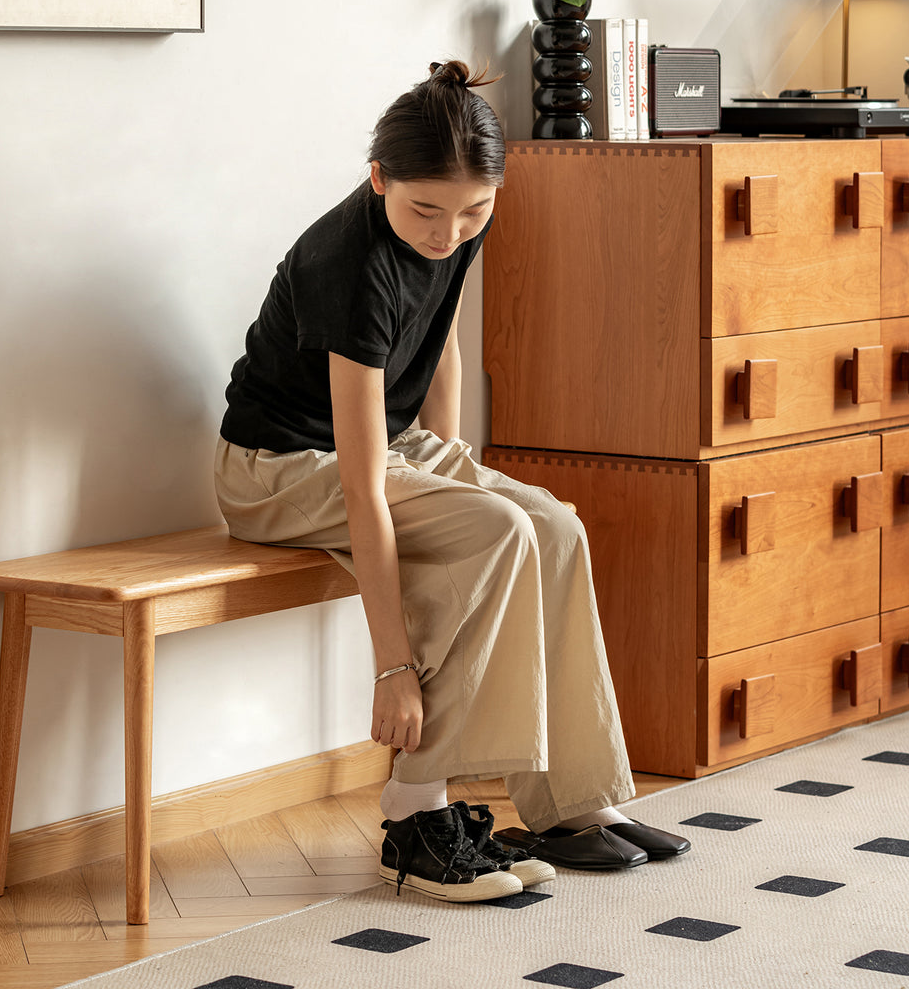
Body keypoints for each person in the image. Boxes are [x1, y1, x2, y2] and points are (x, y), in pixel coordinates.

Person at [214, 60, 689, 904]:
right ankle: (413, 810)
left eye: (475, 210)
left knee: (554, 524)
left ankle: (569, 808)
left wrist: (457, 460)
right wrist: (392, 666)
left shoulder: (460, 222)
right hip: (281, 470)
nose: (449, 232)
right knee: (496, 530)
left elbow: (441, 346)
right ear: (378, 179)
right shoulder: (350, 265)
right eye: (426, 209)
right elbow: (361, 488)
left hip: (388, 444)